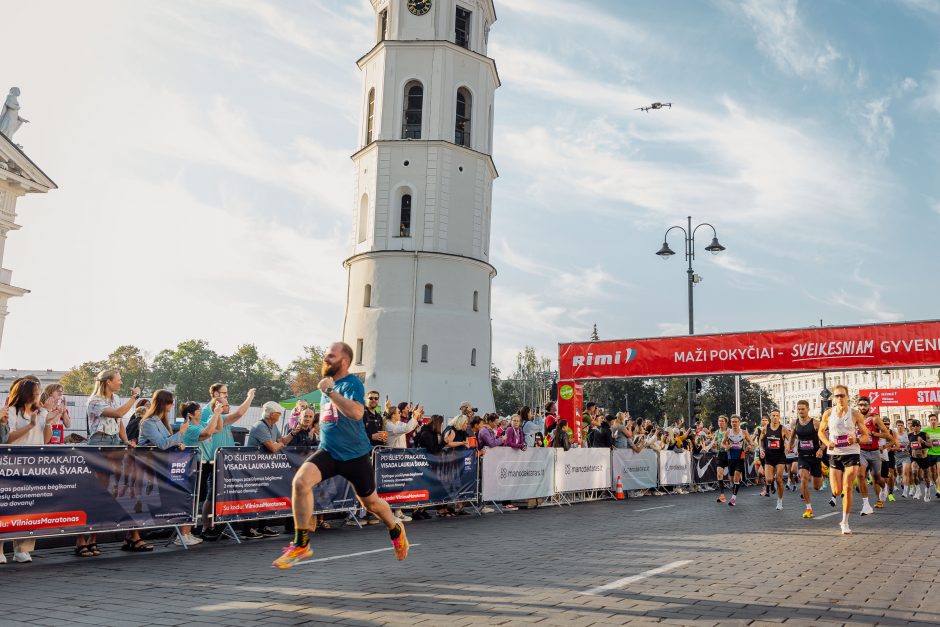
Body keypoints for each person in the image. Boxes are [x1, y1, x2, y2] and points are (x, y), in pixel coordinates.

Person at [273, 342, 408, 569]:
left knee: (371, 504)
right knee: (300, 482)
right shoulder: (329, 385)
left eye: (330, 356)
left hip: (354, 456)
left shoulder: (350, 384)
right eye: (326, 356)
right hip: (329, 451)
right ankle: (301, 543)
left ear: (344, 361)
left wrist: (330, 391)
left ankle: (395, 527)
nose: (325, 359)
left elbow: (356, 413)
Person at [136, 390, 203, 546]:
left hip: (159, 466)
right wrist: (180, 433)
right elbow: (162, 443)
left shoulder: (161, 421)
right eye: (171, 402)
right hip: (147, 465)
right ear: (164, 403)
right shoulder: (148, 422)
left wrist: (178, 442)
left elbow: (168, 440)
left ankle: (183, 533)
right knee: (143, 500)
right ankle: (134, 535)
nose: (173, 405)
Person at [1, 378, 53, 563]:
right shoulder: (12, 411)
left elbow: (46, 440)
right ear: (26, 392)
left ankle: (22, 548)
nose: (39, 394)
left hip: (35, 465)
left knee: (29, 508)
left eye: (40, 391)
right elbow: (8, 438)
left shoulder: (42, 411)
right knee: (6, 507)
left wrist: (48, 422)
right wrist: (30, 425)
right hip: (13, 464)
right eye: (36, 391)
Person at [196, 385, 256, 541]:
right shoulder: (211, 411)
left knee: (219, 494)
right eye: (225, 395)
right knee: (211, 494)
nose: (227, 399)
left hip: (223, 459)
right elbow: (240, 413)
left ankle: (216, 526)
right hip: (213, 459)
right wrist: (250, 396)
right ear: (216, 395)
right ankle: (206, 527)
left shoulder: (219, 412)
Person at [818, 384, 872, 534]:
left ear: (848, 397)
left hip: (852, 453)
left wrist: (856, 440)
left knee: (847, 487)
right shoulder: (828, 414)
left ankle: (845, 522)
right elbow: (821, 432)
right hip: (835, 453)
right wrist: (828, 442)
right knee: (836, 490)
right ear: (834, 398)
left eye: (842, 395)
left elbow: (867, 436)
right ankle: (839, 496)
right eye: (837, 396)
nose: (840, 398)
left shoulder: (855, 414)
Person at [855, 396, 893, 512]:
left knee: (876, 478)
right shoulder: (855, 419)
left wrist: (873, 434)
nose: (863, 407)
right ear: (858, 406)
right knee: (861, 475)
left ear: (869, 406)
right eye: (860, 405)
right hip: (861, 451)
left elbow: (887, 435)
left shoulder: (875, 419)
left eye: (865, 405)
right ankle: (866, 504)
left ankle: (884, 487)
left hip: (874, 452)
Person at [788, 400, 823, 518]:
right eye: (798, 409)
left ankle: (820, 472)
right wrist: (789, 446)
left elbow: (824, 439)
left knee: (816, 487)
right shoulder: (795, 423)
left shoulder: (816, 423)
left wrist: (821, 449)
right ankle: (809, 508)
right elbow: (792, 437)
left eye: (803, 409)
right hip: (803, 455)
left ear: (808, 409)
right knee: (803, 478)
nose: (800, 411)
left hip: (815, 457)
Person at [760, 410, 790, 511]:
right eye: (773, 415)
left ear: (779, 417)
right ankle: (771, 485)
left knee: (779, 479)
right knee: (769, 479)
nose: (775, 417)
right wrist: (761, 450)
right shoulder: (765, 428)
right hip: (769, 457)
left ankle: (780, 501)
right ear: (770, 417)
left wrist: (787, 446)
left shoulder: (783, 429)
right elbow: (760, 440)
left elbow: (791, 440)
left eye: (777, 415)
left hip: (780, 457)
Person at [722, 415, 754, 507]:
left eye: (736, 421)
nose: (734, 423)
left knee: (736, 477)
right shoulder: (728, 432)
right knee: (731, 478)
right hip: (731, 458)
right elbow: (722, 443)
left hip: (740, 457)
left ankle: (733, 499)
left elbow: (750, 442)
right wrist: (726, 447)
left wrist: (749, 446)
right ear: (731, 423)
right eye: (732, 422)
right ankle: (735, 487)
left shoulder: (743, 433)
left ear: (739, 423)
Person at [893, 419, 912, 498]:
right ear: (896, 426)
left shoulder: (907, 434)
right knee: (899, 472)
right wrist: (897, 448)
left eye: (901, 425)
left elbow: (910, 443)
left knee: (905, 472)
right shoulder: (894, 435)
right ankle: (899, 477)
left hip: (906, 456)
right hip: (897, 456)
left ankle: (905, 491)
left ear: (904, 426)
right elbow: (891, 445)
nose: (900, 427)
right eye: (898, 425)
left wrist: (908, 446)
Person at [713, 415, 730, 503]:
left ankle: (734, 493)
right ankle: (722, 495)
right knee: (719, 474)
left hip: (730, 455)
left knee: (733, 477)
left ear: (726, 423)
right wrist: (710, 446)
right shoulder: (717, 432)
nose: (720, 423)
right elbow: (714, 442)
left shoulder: (729, 432)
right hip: (721, 455)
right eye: (719, 421)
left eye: (722, 421)